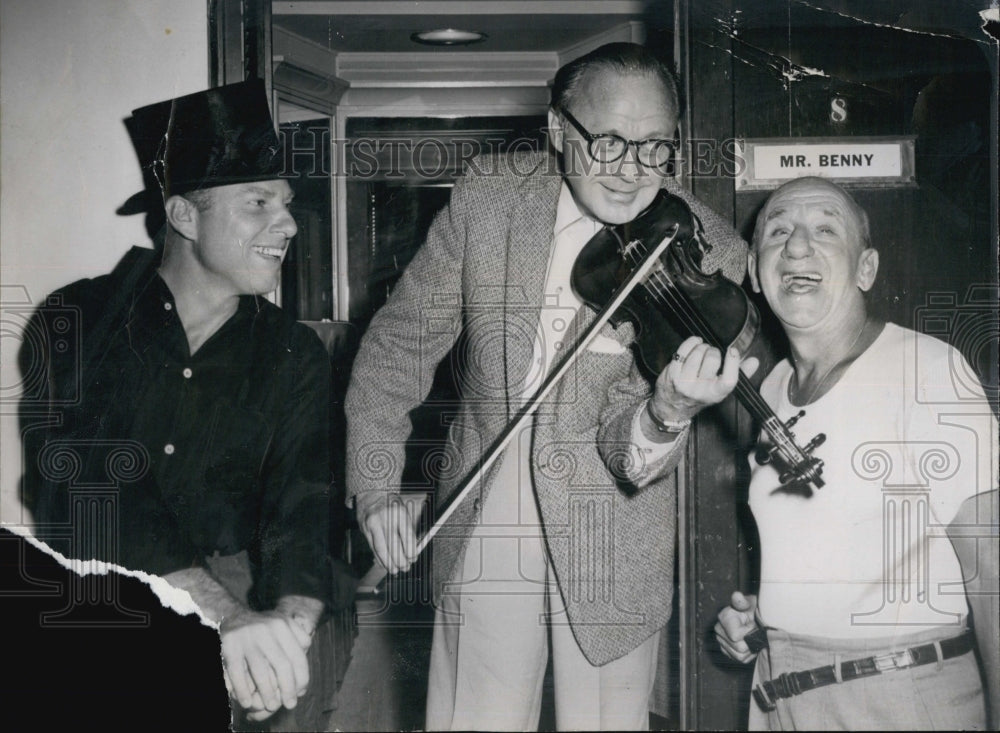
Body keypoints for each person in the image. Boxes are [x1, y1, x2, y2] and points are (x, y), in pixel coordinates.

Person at [345, 42, 749, 730]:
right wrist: (378, 483)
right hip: (486, 494)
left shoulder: (709, 251)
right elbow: (399, 344)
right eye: (611, 142)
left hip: (613, 522)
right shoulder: (491, 195)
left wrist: (666, 412)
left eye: (656, 148)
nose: (632, 172)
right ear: (560, 130)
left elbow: (631, 435)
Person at [19, 80, 335, 730]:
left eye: (286, 203)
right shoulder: (78, 319)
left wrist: (287, 635)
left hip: (244, 610)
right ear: (185, 216)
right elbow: (89, 486)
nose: (288, 224)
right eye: (258, 203)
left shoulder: (293, 352)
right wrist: (226, 617)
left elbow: (303, 503)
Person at [714, 176, 999, 730]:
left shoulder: (927, 371)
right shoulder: (771, 388)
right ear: (754, 271)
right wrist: (763, 620)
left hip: (897, 699)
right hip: (779, 696)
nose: (797, 245)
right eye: (778, 231)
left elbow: (992, 569)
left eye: (825, 228)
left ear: (866, 268)